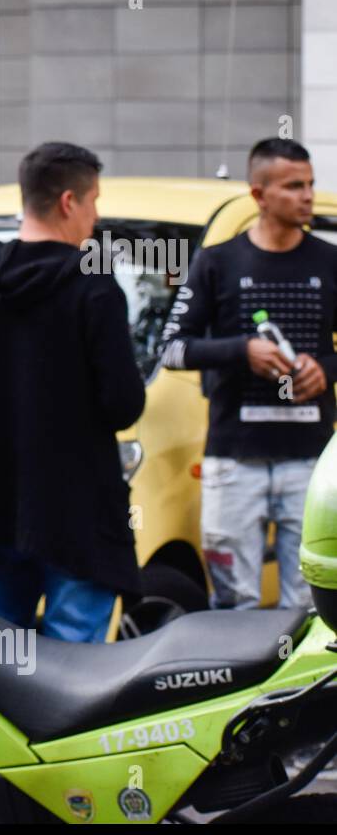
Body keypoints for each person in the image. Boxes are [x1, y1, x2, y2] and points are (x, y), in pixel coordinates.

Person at [0, 142, 145, 643]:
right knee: (75, 680)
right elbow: (123, 404)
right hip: (78, 516)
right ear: (70, 201)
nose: (96, 216)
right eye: (94, 201)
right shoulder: (94, 289)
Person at [160, 138, 337, 610]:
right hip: (234, 460)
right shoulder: (217, 262)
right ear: (258, 195)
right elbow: (173, 350)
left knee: (312, 606)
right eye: (293, 186)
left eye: (310, 184)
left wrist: (326, 369)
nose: (307, 196)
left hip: (312, 463)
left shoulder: (329, 261)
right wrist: (243, 350)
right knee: (233, 605)